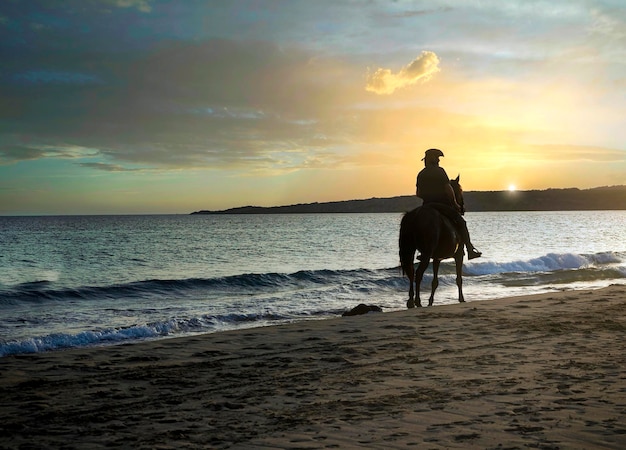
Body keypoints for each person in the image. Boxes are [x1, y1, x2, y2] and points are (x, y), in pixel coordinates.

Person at [416, 148, 482, 260]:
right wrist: (455, 203)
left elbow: (418, 193)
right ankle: (470, 250)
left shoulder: (421, 174)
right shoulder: (440, 171)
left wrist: (428, 197)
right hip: (441, 205)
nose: (438, 160)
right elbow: (448, 189)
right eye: (437, 158)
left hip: (426, 206)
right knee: (461, 223)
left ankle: (422, 252)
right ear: (434, 159)